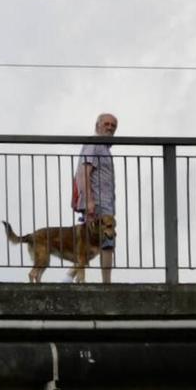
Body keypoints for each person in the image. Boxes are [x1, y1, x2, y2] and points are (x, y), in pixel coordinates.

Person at [74, 110, 119, 286]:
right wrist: (90, 201)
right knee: (104, 242)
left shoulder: (104, 148)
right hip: (97, 202)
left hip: (104, 203)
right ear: (97, 126)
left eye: (113, 126)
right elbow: (84, 173)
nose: (110, 128)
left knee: (98, 243)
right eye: (106, 124)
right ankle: (105, 283)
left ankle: (78, 277)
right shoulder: (94, 144)